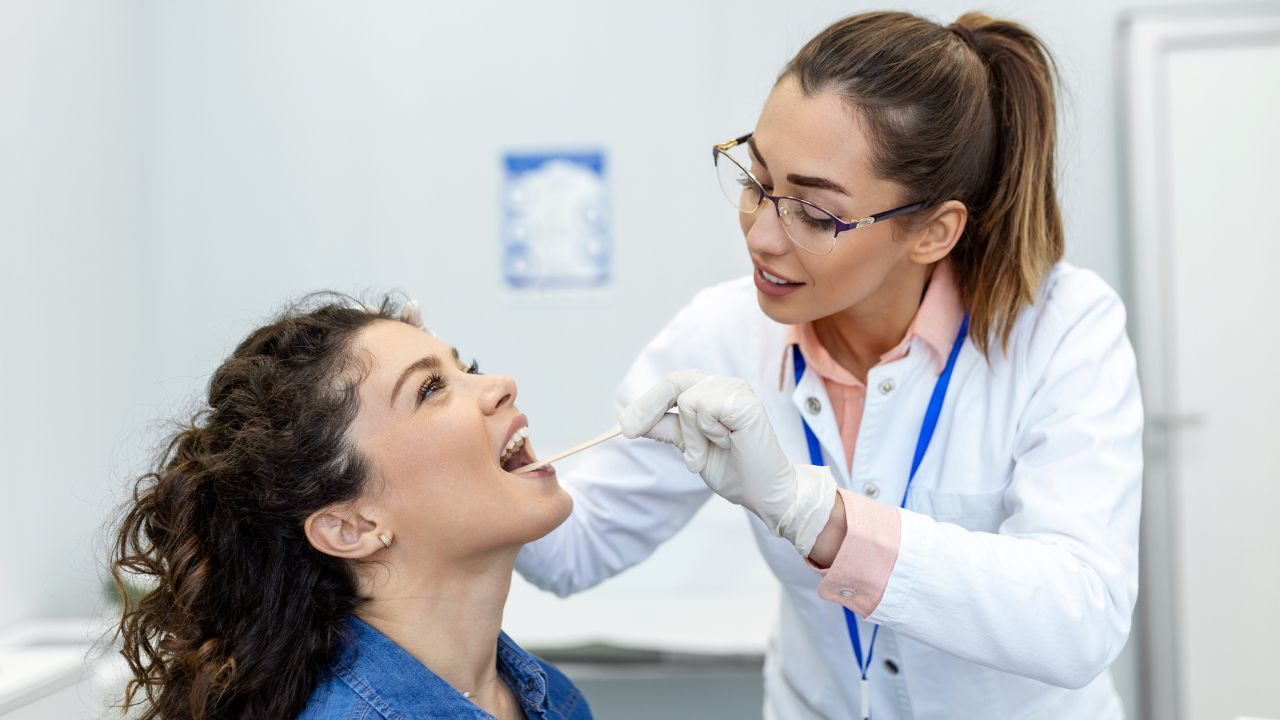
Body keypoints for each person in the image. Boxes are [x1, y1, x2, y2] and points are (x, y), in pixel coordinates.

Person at [516, 10, 1142, 719]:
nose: (760, 236)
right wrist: (472, 452)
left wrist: (820, 518)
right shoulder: (722, 335)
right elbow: (575, 552)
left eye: (814, 214)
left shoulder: (1061, 330)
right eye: (756, 181)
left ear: (934, 232)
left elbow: (1080, 618)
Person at [110, 295, 592, 720]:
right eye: (430, 389)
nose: (501, 384)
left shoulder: (556, 699)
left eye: (465, 369)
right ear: (350, 526)